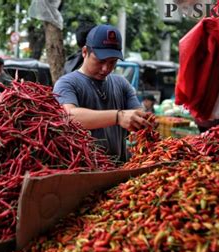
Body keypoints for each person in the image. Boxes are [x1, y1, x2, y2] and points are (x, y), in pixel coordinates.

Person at [53, 24, 153, 162]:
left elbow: (138, 115)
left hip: (119, 169)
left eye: (112, 62)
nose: (106, 68)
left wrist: (145, 122)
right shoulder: (66, 83)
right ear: (84, 52)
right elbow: (69, 116)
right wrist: (118, 117)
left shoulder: (121, 83)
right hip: (83, 170)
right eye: (100, 61)